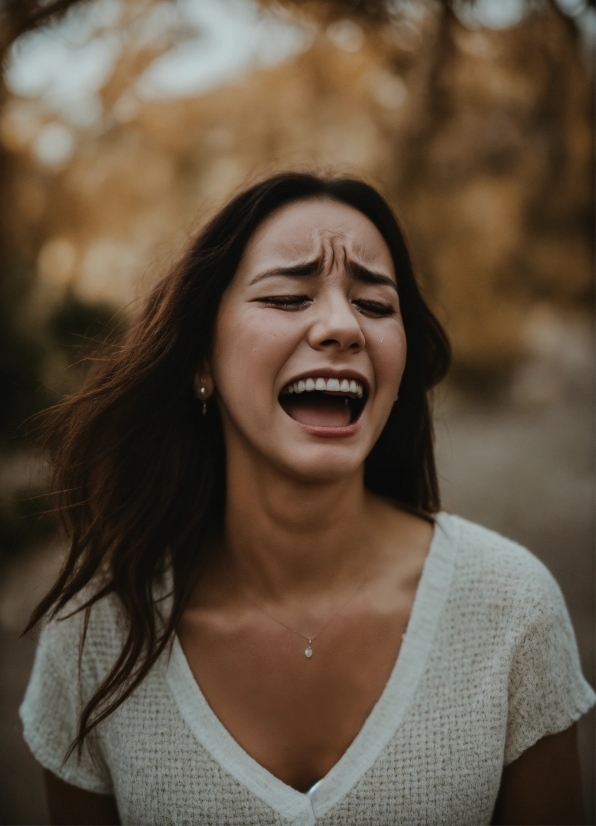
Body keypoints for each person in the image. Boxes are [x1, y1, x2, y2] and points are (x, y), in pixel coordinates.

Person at [20, 172, 594, 826]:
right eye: (290, 297)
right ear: (201, 362)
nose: (342, 326)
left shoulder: (511, 607)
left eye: (376, 306)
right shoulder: (95, 633)